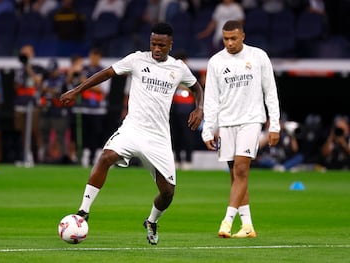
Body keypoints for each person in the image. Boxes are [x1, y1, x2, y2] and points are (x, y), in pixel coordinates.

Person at [59, 22, 204, 245]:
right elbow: (106, 73)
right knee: (106, 156)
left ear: (170, 45)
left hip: (158, 138)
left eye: (161, 45)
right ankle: (83, 212)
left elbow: (196, 88)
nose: (156, 48)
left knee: (168, 193)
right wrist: (77, 91)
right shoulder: (137, 59)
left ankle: (152, 221)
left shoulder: (179, 68)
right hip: (133, 129)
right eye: (153, 43)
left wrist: (199, 107)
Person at [201, 20, 280, 238]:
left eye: (233, 38)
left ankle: (226, 221)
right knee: (235, 174)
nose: (229, 43)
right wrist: (208, 129)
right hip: (226, 123)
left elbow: (270, 91)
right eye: (226, 39)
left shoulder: (258, 56)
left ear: (242, 36)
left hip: (251, 120)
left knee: (242, 169)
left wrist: (274, 124)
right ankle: (247, 226)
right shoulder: (216, 62)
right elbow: (211, 99)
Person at [13, 44, 44, 165]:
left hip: (33, 103)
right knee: (23, 131)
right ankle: (27, 155)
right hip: (21, 102)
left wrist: (28, 68)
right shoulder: (19, 70)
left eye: (27, 53)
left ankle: (40, 154)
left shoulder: (37, 67)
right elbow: (15, 86)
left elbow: (38, 81)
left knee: (35, 130)